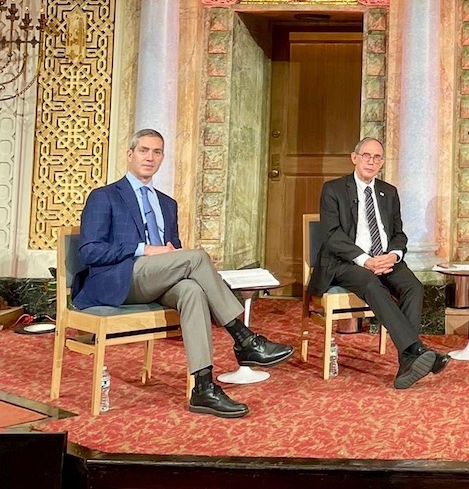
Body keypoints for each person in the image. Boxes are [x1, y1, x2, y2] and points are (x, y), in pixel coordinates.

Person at [75, 129, 294, 419]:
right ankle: (243, 338)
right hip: (119, 279)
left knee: (191, 290)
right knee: (197, 257)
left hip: (156, 280)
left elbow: (174, 253)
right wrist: (144, 249)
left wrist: (167, 252)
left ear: (163, 158)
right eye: (143, 150)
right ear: (129, 155)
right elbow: (89, 251)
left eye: (156, 152)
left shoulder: (167, 204)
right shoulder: (105, 197)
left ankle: (203, 387)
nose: (149, 157)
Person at [310, 137, 450, 389]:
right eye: (366, 155)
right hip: (347, 262)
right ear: (354, 158)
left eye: (377, 157)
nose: (371, 161)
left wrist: (394, 255)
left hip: (385, 258)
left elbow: (399, 233)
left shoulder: (389, 192)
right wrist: (366, 261)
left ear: (382, 162)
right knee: (372, 284)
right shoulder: (333, 189)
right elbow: (332, 236)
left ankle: (408, 360)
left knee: (414, 287)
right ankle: (415, 350)